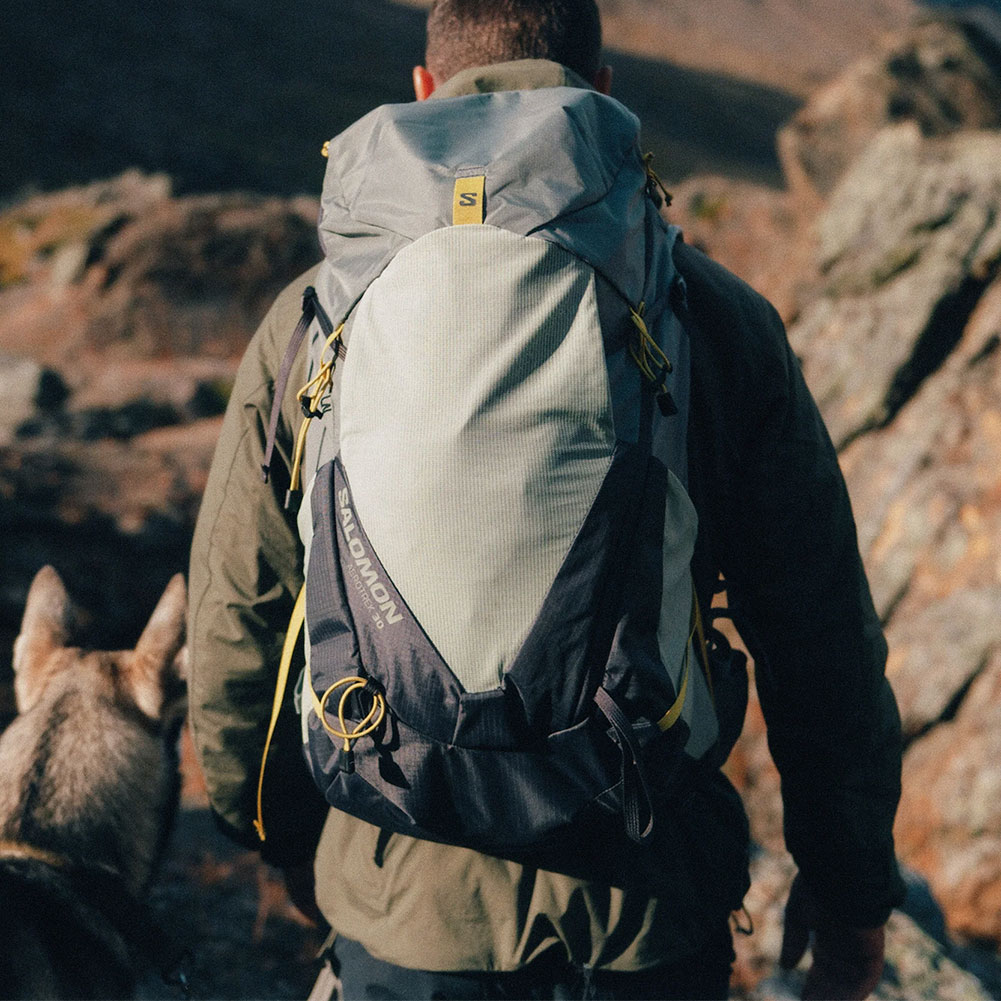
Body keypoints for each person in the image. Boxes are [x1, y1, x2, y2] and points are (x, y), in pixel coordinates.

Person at [187, 1, 905, 998]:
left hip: (402, 914)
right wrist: (850, 891)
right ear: (598, 91)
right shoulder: (711, 316)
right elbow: (817, 637)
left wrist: (292, 841)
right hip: (646, 916)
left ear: (424, 91)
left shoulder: (308, 323)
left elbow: (238, 617)